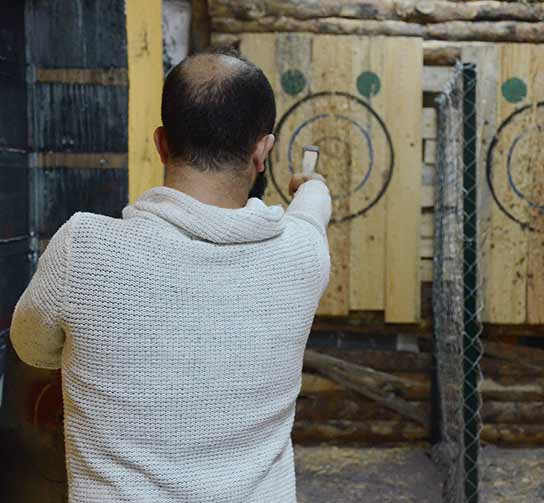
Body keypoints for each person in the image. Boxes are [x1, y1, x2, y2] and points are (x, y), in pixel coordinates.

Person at [10, 51, 331, 502]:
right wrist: (314, 188)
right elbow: (311, 216)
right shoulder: (302, 254)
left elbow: (31, 346)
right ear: (262, 151)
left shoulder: (82, 249)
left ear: (161, 143)